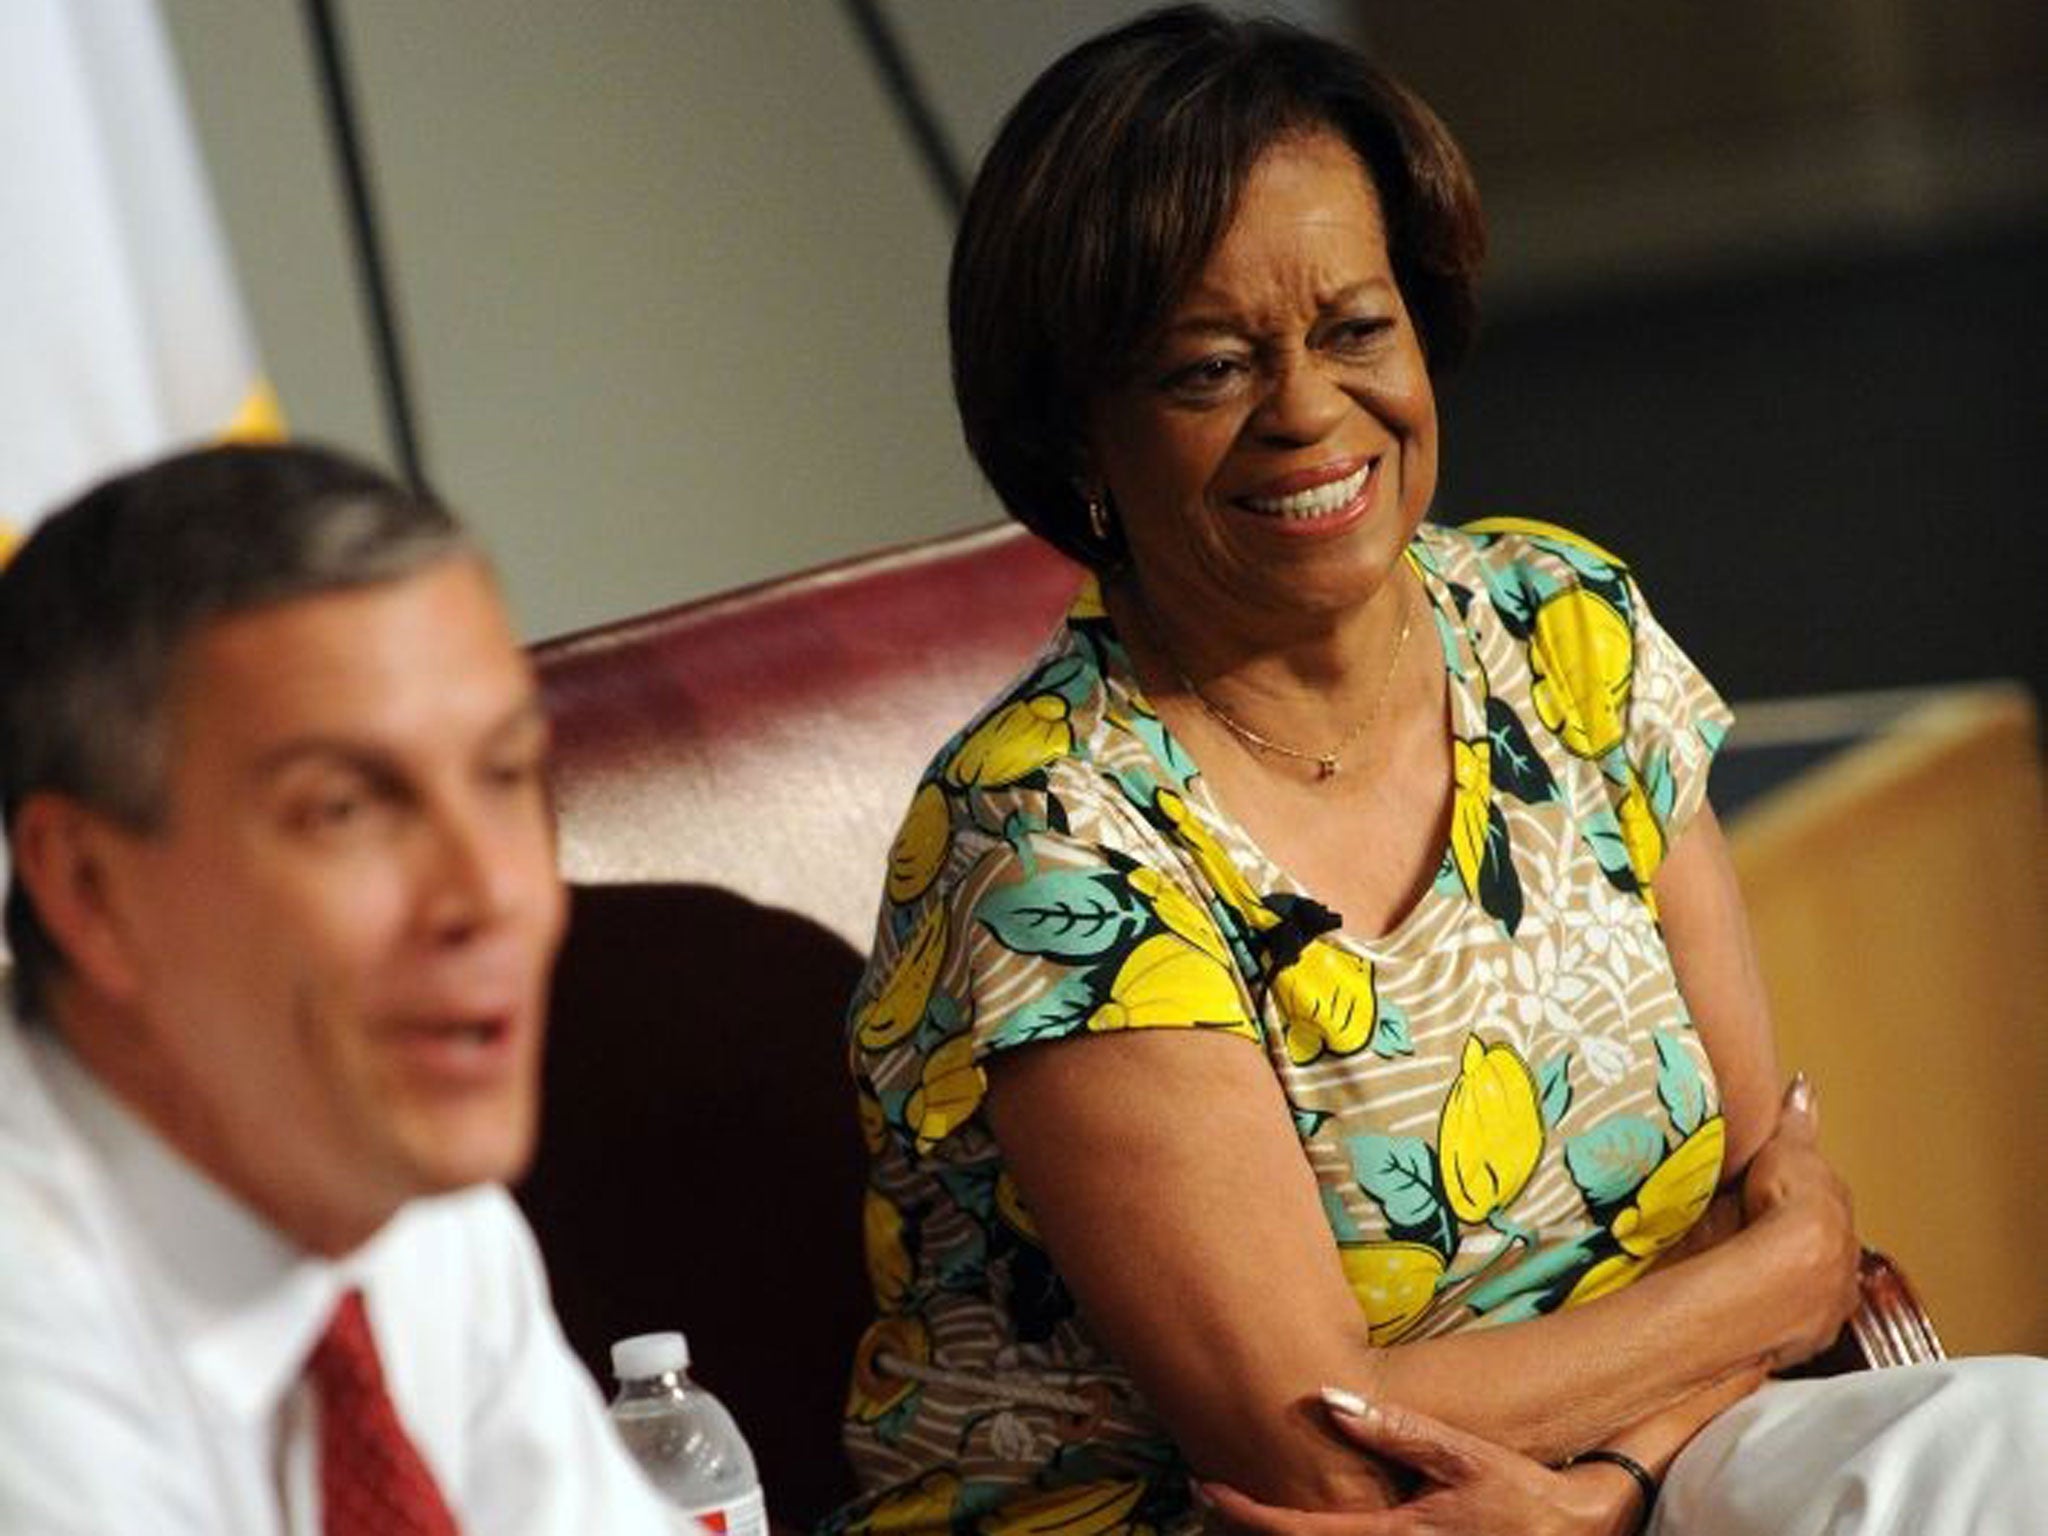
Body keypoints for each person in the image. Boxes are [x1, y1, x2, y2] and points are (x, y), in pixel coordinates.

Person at [832, 8, 2048, 1535]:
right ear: (1080, 432)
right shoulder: (1055, 844)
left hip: (1639, 1474)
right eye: (1210, 367)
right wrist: (1762, 1292)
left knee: (2018, 1450)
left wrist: (1613, 1482)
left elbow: (1781, 1240)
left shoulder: (1560, 628)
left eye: (1354, 329)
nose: (1306, 412)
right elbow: (1322, 1448)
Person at [0, 443, 676, 1533]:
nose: (490, 892)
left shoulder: (396, 1189)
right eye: (345, 811)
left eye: (506, 777)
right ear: (89, 889)